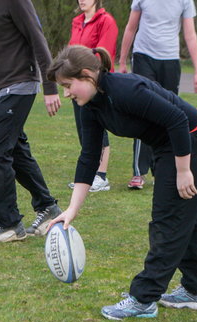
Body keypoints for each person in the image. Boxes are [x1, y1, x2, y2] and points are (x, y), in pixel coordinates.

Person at [47, 45, 197, 320]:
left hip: (191, 139)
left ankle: (143, 298)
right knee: (189, 215)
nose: (66, 93)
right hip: (166, 145)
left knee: (169, 219)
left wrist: (183, 170)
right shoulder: (90, 106)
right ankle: (196, 291)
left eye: (68, 85)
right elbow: (89, 158)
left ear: (87, 75)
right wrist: (72, 210)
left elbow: (177, 119)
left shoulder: (125, 90)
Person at [0, 0, 62, 243]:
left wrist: (50, 86)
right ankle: (47, 207)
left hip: (21, 83)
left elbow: (37, 38)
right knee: (16, 149)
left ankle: (9, 224)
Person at [119, 0, 197, 190]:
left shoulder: (185, 1)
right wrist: (122, 60)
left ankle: (163, 168)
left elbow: (190, 34)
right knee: (143, 112)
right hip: (143, 57)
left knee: (170, 115)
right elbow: (131, 27)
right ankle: (139, 172)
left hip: (170, 60)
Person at [67, 0, 118, 192]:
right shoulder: (76, 21)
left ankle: (101, 176)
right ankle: (88, 176)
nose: (82, 0)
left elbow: (102, 54)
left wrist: (85, 76)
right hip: (76, 83)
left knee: (98, 128)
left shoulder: (106, 21)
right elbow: (71, 52)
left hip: (96, 83)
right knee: (84, 128)